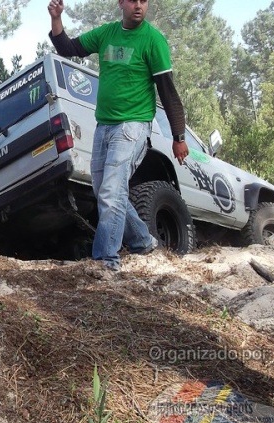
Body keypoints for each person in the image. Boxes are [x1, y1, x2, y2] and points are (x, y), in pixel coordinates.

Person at [47, 0, 188, 272]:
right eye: (132, 0)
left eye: (144, 1)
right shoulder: (106, 34)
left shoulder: (153, 40)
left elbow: (168, 93)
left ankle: (105, 261)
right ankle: (142, 241)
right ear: (120, 3)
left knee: (111, 191)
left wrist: (179, 136)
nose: (139, 5)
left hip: (133, 126)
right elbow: (68, 48)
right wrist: (56, 18)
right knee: (104, 191)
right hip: (104, 126)